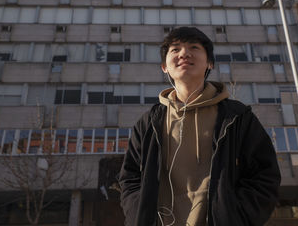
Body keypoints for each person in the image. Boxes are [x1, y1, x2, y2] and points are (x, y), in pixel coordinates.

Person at [118, 27, 281, 226]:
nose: (184, 53)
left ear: (209, 63)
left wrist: (238, 217)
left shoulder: (237, 116)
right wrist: (138, 215)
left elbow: (265, 173)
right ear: (164, 66)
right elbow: (130, 178)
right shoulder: (148, 122)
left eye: (193, 47)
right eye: (175, 49)